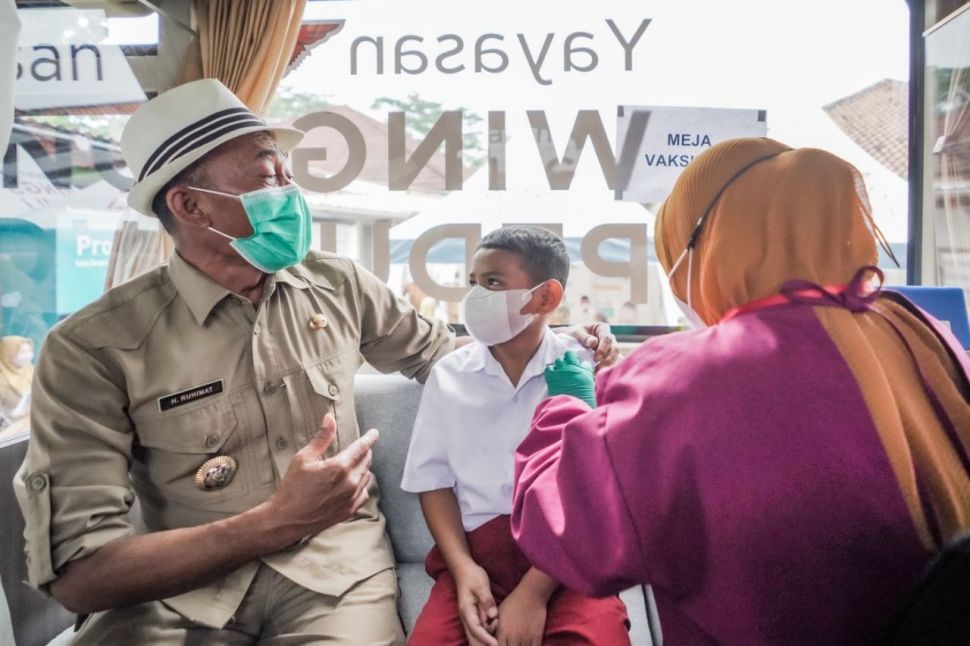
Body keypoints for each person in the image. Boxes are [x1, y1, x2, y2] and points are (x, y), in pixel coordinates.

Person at [13, 79, 618, 644]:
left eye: (287, 172)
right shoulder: (93, 347)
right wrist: (271, 522)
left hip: (338, 578)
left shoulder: (337, 283)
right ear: (192, 206)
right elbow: (81, 574)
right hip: (179, 596)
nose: (291, 192)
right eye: (268, 176)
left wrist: (558, 340)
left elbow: (448, 357)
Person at [510, 137, 970, 645]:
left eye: (675, 260)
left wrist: (567, 403)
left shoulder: (684, 377)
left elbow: (559, 531)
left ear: (709, 247)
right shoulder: (919, 328)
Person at [402, 226, 629, 646]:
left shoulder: (582, 370)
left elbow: (595, 492)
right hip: (477, 557)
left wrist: (532, 594)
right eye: (473, 283)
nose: (476, 297)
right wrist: (464, 569)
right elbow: (432, 482)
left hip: (567, 560)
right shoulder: (450, 376)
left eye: (493, 283)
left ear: (546, 297)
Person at [0, 335, 32, 429]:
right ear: (8, 354)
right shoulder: (2, 380)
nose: (28, 355)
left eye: (29, 351)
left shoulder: (28, 368)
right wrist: (10, 415)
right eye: (22, 352)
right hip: (10, 434)